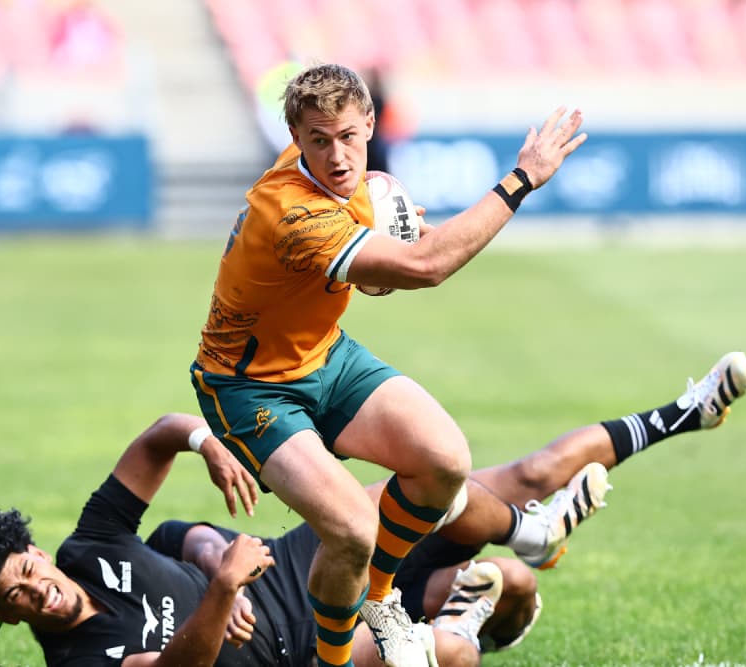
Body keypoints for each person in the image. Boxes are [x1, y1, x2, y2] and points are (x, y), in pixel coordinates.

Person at [0, 351, 746, 667]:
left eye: (27, 569)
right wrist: (223, 587)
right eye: (13, 596)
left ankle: (684, 414)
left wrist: (204, 441)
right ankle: (496, 599)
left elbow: (157, 444)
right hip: (306, 646)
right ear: (1, 618)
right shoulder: (77, 662)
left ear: (37, 550)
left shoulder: (90, 547)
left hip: (304, 557)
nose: (35, 589)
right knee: (475, 623)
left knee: (517, 475)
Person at [190, 62, 588, 666]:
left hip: (322, 353)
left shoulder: (350, 180)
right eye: (318, 141)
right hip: (249, 387)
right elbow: (425, 268)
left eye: (348, 136)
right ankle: (334, 663)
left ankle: (380, 598)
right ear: (295, 140)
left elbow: (377, 215)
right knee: (351, 528)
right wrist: (521, 180)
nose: (337, 156)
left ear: (370, 123)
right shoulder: (293, 212)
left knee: (444, 461)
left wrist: (390, 229)